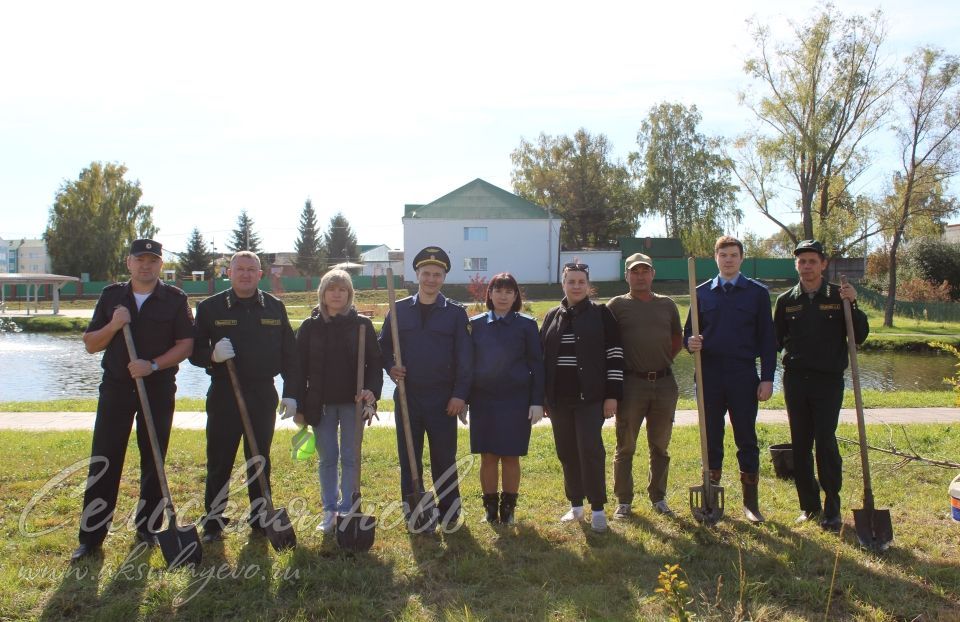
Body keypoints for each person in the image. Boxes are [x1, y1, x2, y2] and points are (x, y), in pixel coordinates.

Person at [71, 239, 194, 563]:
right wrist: (114, 324)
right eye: (140, 259)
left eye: (153, 260)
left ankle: (149, 528)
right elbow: (91, 344)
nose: (146, 266)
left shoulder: (175, 299)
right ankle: (91, 538)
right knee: (105, 460)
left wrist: (152, 365)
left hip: (157, 388)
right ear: (129, 263)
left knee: (154, 458)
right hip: (116, 389)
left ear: (160, 265)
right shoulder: (112, 297)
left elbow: (186, 344)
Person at [190, 251, 302, 543]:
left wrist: (291, 393)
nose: (245, 274)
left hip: (263, 392)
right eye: (239, 269)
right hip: (225, 393)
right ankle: (213, 522)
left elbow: (290, 355)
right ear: (229, 272)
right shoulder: (210, 308)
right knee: (219, 458)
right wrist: (211, 356)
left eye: (251, 269)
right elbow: (194, 351)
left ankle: (260, 516)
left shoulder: (275, 307)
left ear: (260, 274)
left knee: (259, 457)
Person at [774, 240, 868, 532]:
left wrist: (852, 303)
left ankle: (832, 507)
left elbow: (860, 335)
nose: (807, 266)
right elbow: (775, 341)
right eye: (802, 262)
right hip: (796, 381)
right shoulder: (786, 300)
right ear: (796, 265)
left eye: (812, 261)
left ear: (823, 264)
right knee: (800, 443)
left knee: (825, 441)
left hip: (827, 381)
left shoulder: (838, 296)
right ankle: (809, 506)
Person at [378, 246, 472, 530]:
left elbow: (465, 359)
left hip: (443, 398)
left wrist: (459, 394)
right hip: (408, 396)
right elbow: (381, 347)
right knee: (409, 456)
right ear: (416, 275)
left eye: (437, 274)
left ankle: (450, 512)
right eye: (426, 273)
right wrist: (390, 367)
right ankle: (414, 511)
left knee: (444, 457)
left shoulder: (455, 314)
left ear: (444, 278)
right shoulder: (399, 309)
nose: (431, 279)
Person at [684, 236, 776, 523]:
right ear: (716, 258)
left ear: (741, 258)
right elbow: (688, 335)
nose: (728, 259)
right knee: (711, 437)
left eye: (733, 255)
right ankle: (711, 498)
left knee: (746, 438)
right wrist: (692, 344)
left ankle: (751, 504)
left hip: (742, 374)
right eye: (723, 255)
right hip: (709, 374)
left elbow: (768, 340)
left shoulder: (757, 293)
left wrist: (767, 378)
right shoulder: (701, 293)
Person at [293, 268, 383, 533]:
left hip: (353, 402)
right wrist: (298, 405)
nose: (336, 294)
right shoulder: (310, 326)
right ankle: (330, 512)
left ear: (349, 294)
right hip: (320, 403)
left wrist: (371, 393)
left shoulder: (362, 325)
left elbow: (375, 365)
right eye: (331, 289)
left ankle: (349, 510)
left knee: (351, 457)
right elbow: (298, 368)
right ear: (323, 293)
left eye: (342, 289)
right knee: (328, 458)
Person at [540, 262, 623, 533]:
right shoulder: (553, 315)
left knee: (590, 450)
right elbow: (542, 360)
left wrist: (612, 395)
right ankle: (576, 505)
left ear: (588, 285)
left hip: (591, 398)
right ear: (563, 284)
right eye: (571, 281)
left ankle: (597, 508)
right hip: (558, 400)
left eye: (581, 282)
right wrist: (543, 398)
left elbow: (614, 355)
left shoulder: (601, 314)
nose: (576, 286)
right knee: (566, 451)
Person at [607, 253, 683, 519]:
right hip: (631, 385)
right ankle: (624, 501)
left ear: (652, 274)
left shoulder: (667, 305)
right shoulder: (616, 306)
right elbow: (607, 344)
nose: (640, 276)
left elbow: (676, 339)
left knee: (660, 445)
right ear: (626, 275)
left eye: (645, 271)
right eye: (634, 271)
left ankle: (658, 497)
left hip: (664, 384)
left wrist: (659, 363)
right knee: (625, 445)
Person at [467, 273, 544, 525]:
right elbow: (467, 365)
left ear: (515, 296)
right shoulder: (475, 325)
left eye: (508, 291)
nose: (503, 295)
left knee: (510, 456)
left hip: (516, 401)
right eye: (498, 290)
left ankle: (508, 508)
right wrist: (464, 399)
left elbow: (537, 365)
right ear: (489, 294)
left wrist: (537, 401)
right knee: (488, 456)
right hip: (483, 402)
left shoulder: (527, 325)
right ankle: (490, 508)